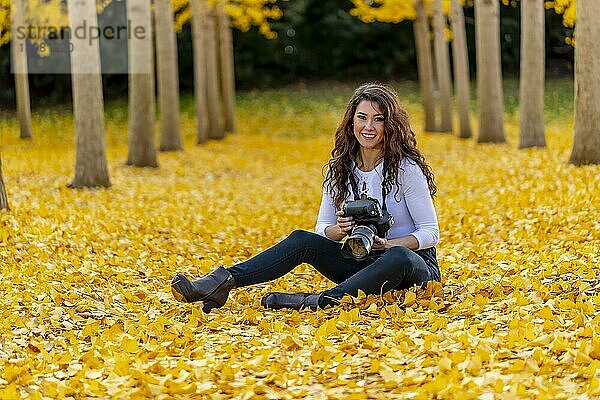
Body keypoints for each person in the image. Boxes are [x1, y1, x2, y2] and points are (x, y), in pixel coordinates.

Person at [171, 83, 440, 312]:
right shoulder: (340, 170)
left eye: (378, 119)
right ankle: (222, 281)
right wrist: (340, 229)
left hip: (411, 269)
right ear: (351, 122)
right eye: (362, 117)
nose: (368, 126)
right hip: (362, 260)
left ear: (390, 125)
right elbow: (322, 230)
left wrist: (388, 245)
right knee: (302, 239)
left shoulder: (405, 169)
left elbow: (430, 232)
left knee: (400, 257)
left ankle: (318, 302)